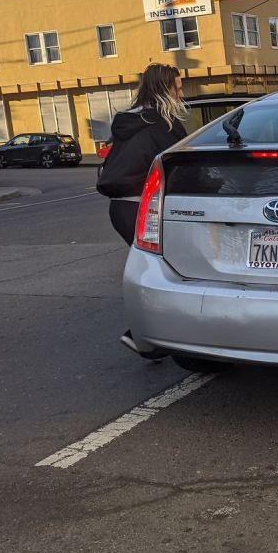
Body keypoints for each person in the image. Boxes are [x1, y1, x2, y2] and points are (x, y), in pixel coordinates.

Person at [96, 63, 187, 355]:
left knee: (157, 271)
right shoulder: (164, 125)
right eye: (179, 86)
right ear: (165, 89)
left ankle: (149, 339)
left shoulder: (129, 122)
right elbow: (181, 168)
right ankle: (146, 335)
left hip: (121, 208)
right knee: (173, 273)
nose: (182, 93)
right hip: (143, 210)